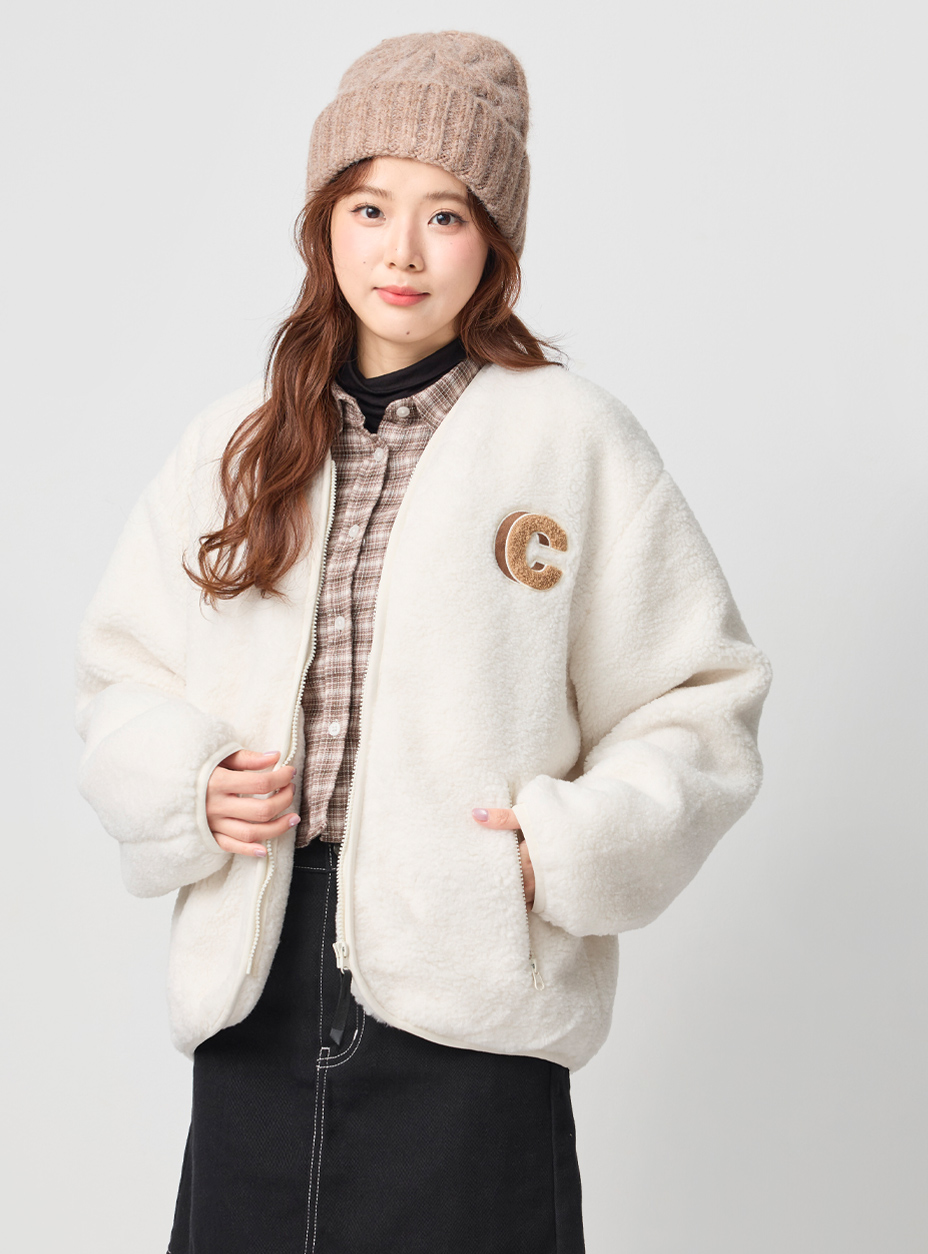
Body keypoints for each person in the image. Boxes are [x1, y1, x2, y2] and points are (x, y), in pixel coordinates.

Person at [75, 30, 771, 1254]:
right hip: (258, 966)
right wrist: (186, 782)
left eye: (444, 215)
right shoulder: (236, 442)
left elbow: (699, 697)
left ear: (493, 241)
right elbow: (122, 671)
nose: (400, 250)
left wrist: (557, 851)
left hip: (466, 966)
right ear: (323, 224)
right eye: (369, 207)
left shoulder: (570, 438)